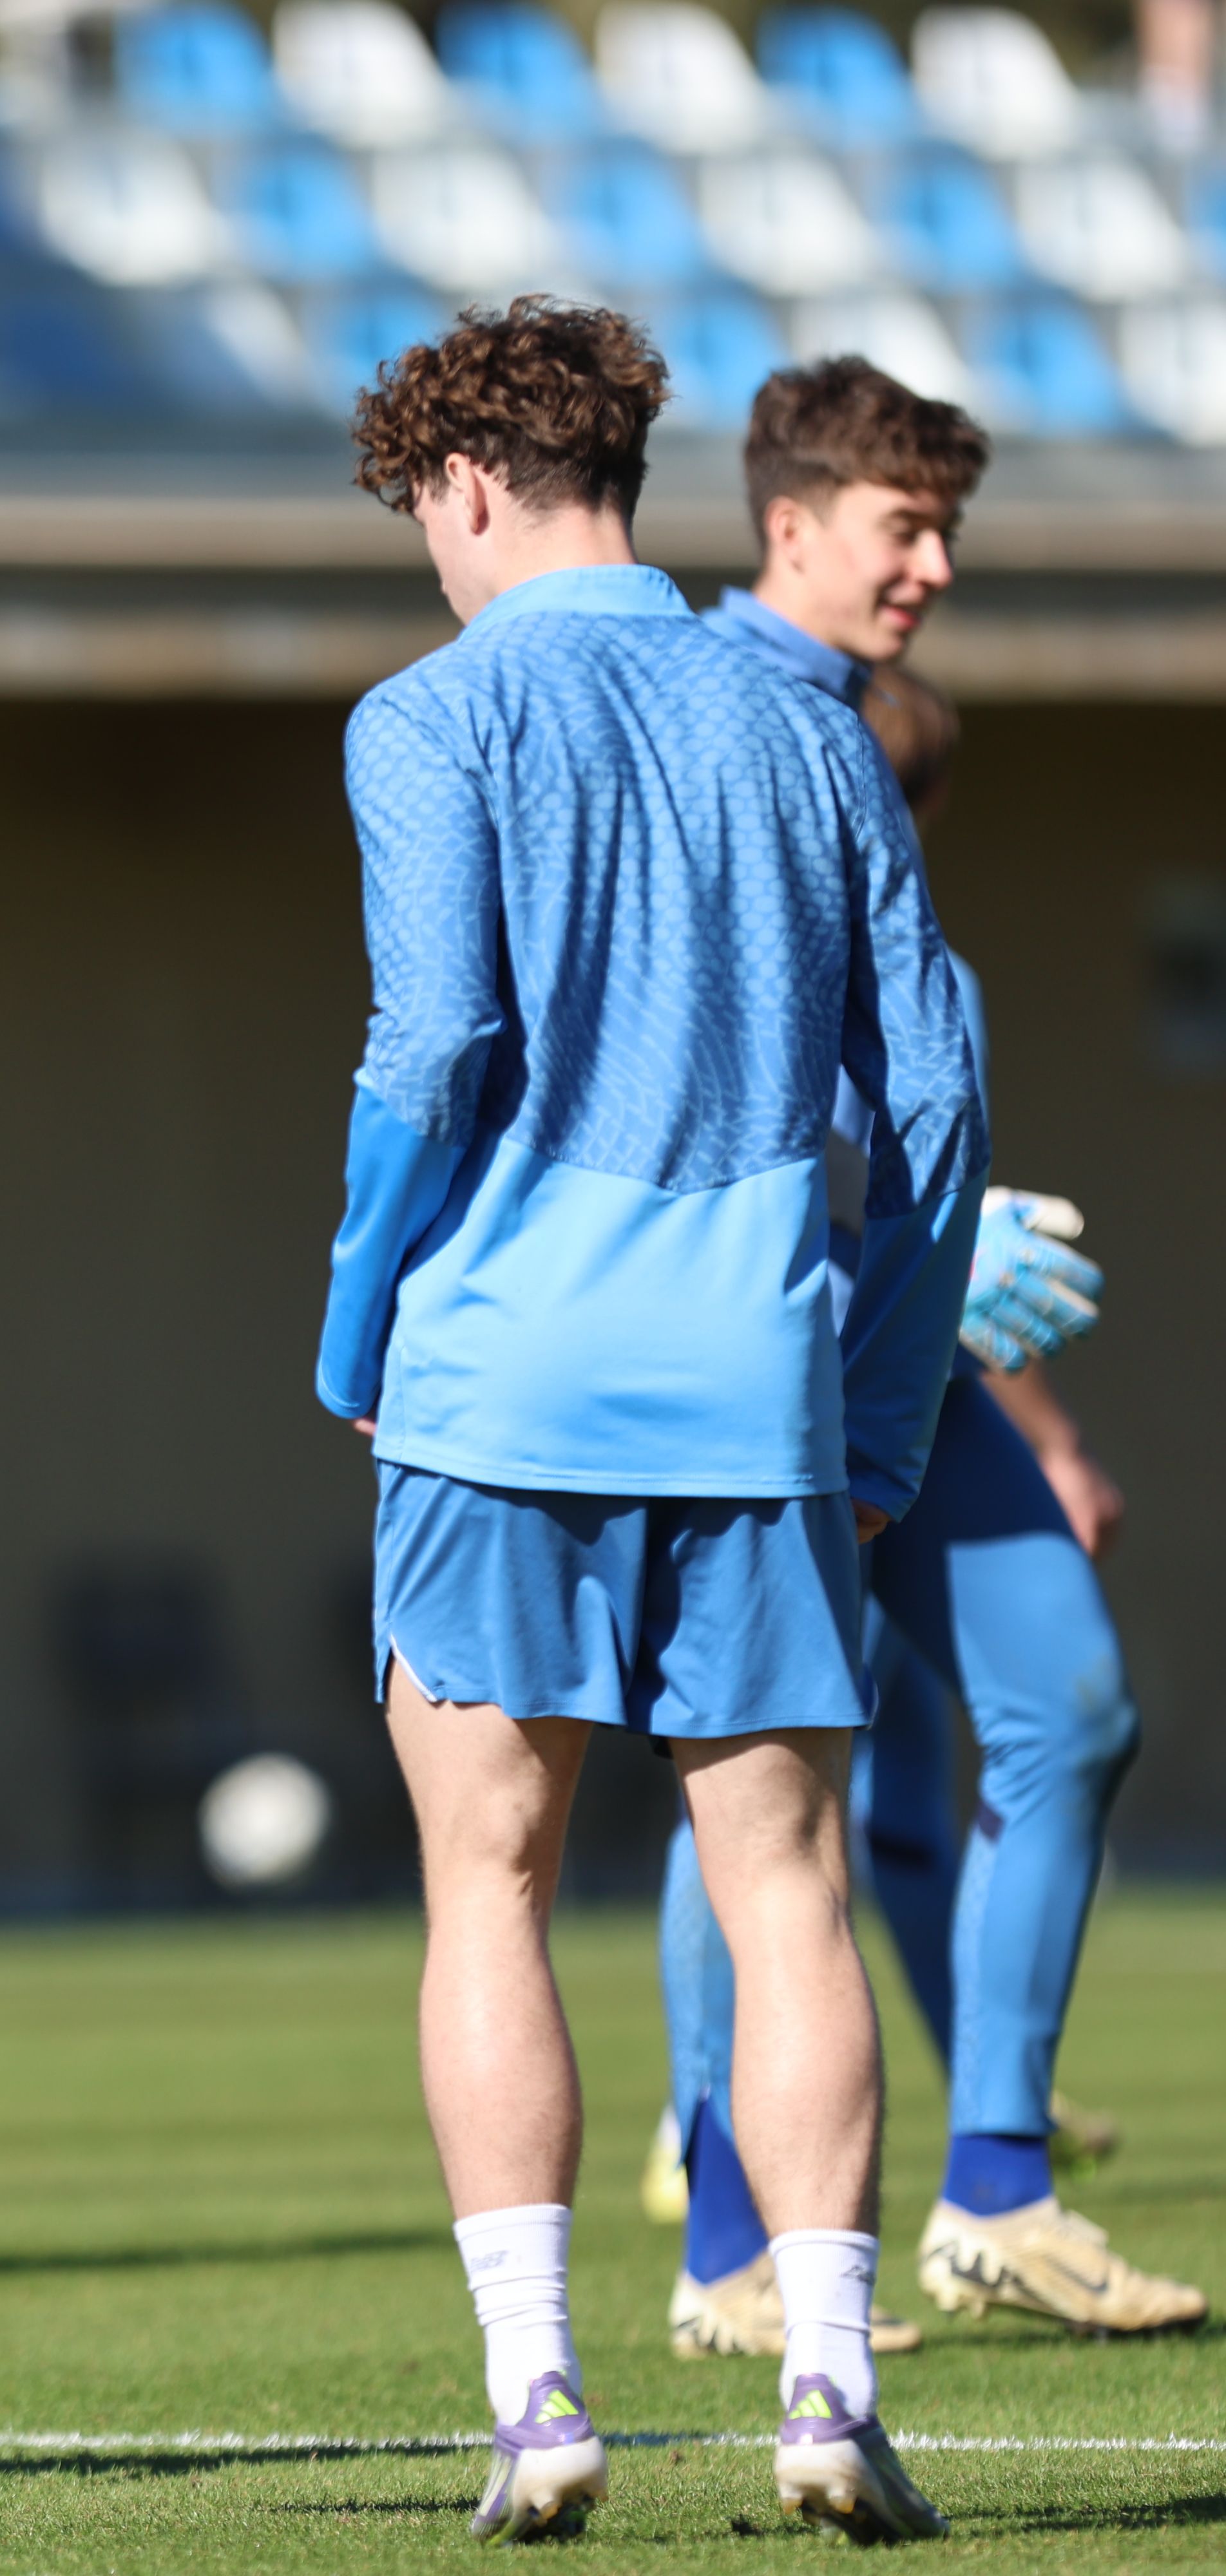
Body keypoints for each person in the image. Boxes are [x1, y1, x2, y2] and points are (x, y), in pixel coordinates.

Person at [320, 301, 984, 2544]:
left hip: (497, 1383)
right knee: (784, 1889)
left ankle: (540, 2404)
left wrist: (350, 1330)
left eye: (422, 513)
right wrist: (880, 1391)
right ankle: (823, 2390)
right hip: (759, 1391)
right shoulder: (812, 726)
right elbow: (944, 1100)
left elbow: (429, 1052)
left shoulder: (427, 716)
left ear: (469, 488)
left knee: (487, 1887)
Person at [650, 359, 1200, 2345]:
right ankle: (724, 2240)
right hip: (744, 1333)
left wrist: (934, 1243)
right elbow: (678, 1047)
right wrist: (862, 1222)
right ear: (786, 523)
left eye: (943, 529)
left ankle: (992, 2184)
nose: (933, 567)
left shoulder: (845, 728)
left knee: (1062, 1702)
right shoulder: (701, 714)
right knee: (763, 1776)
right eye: (902, 526)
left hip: (882, 1316)